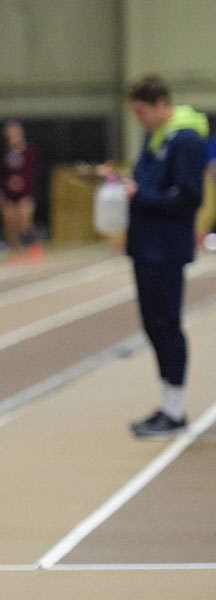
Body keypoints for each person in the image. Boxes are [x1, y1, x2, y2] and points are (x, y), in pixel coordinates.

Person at [121, 74, 207, 437]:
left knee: (166, 323)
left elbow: (189, 199)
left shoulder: (185, 139)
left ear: (161, 104)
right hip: (144, 244)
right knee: (152, 324)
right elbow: (147, 183)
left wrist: (138, 196)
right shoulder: (153, 136)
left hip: (167, 246)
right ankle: (168, 403)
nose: (139, 120)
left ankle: (176, 409)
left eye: (142, 112)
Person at [0, 120, 42, 261]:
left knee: (24, 220)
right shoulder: (4, 153)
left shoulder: (29, 152)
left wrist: (22, 183)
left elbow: (33, 172)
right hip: (8, 194)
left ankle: (33, 244)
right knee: (9, 220)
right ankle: (15, 251)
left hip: (25, 193)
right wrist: (0, 189)